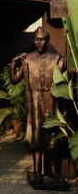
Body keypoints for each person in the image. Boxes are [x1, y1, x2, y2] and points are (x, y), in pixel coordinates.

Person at [8, 26, 65, 184]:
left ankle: (51, 170)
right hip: (34, 104)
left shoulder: (57, 59)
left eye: (42, 39)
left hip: (51, 101)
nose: (39, 42)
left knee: (51, 137)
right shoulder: (28, 59)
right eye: (36, 39)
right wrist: (13, 63)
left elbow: (64, 85)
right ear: (34, 41)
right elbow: (14, 80)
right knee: (36, 138)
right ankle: (38, 172)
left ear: (48, 41)